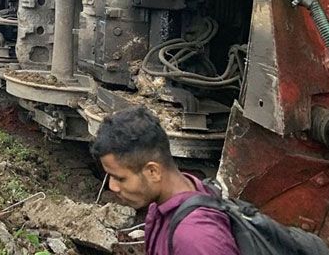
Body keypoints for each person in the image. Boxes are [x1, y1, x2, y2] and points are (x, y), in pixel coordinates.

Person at [90, 107, 239, 255]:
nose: (112, 186)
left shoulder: (196, 240)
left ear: (153, 172)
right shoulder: (161, 206)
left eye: (120, 178)